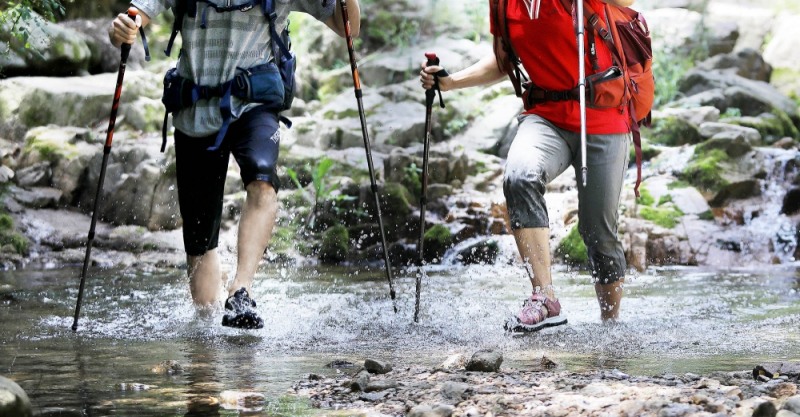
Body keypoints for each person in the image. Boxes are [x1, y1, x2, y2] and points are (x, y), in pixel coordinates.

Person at [109, 0, 360, 329]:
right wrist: (122, 29)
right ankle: (205, 346)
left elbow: (347, 27)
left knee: (262, 180)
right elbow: (131, 20)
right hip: (196, 109)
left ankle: (241, 290)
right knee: (200, 256)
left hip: (255, 102)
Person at [420, 0, 635, 332]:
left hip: (603, 117)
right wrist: (450, 82)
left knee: (598, 232)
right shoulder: (504, 3)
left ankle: (611, 326)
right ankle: (545, 299)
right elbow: (503, 59)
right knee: (520, 176)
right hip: (546, 117)